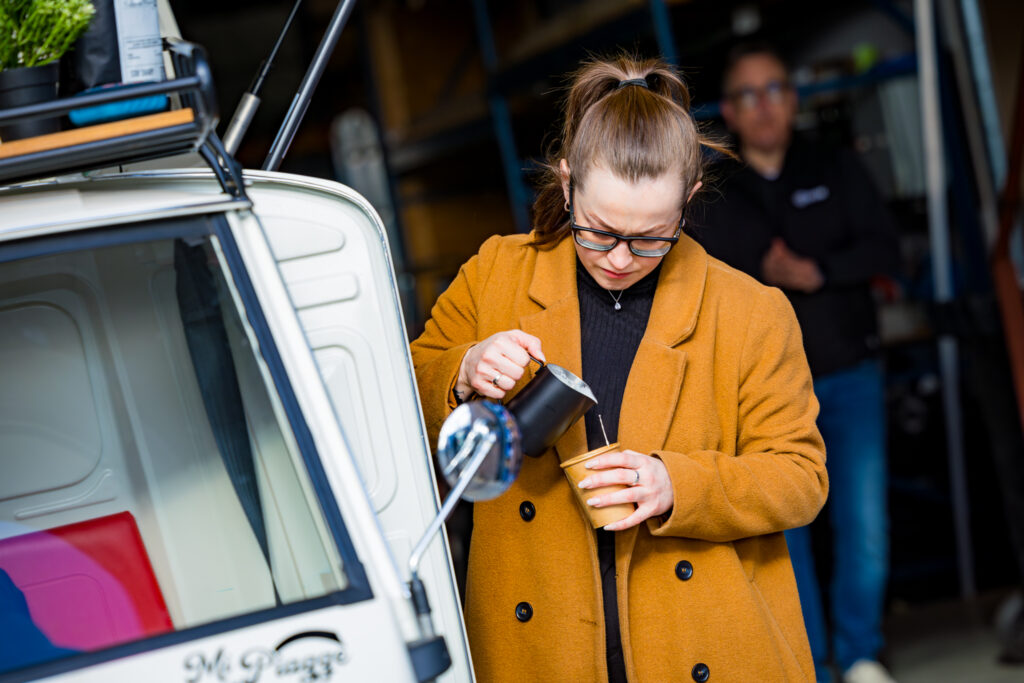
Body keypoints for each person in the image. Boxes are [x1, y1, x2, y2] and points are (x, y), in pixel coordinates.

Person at [411, 55, 828, 682]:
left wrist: (675, 485)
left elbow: (801, 477)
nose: (621, 259)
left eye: (651, 237)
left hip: (703, 640)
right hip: (540, 647)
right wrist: (463, 369)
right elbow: (395, 401)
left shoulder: (751, 313)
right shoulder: (495, 274)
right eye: (599, 231)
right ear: (567, 182)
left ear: (688, 201)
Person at [693, 44, 901, 683]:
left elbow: (885, 248)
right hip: (762, 395)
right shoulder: (714, 193)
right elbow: (700, 284)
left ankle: (860, 654)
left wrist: (818, 272)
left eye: (774, 89)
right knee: (786, 537)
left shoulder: (835, 165)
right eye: (747, 94)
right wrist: (765, 274)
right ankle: (808, 667)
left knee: (864, 525)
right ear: (729, 111)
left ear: (792, 98)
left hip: (848, 372)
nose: (763, 105)